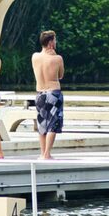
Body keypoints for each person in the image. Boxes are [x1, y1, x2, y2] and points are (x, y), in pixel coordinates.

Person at [32, 29, 65, 160]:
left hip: (40, 94)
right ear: (51, 42)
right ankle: (47, 153)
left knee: (42, 124)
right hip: (54, 93)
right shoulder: (57, 58)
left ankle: (42, 153)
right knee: (53, 124)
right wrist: (55, 54)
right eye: (55, 40)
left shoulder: (35, 57)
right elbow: (61, 75)